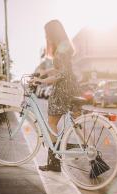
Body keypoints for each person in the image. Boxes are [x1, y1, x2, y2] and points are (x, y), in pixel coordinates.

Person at [32, 20, 80, 172]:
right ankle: (95, 159)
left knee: (51, 122)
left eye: (47, 32)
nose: (46, 35)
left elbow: (61, 74)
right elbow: (61, 69)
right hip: (72, 86)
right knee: (76, 122)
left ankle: (54, 162)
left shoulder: (61, 49)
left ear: (52, 32)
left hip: (63, 89)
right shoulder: (64, 45)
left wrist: (42, 80)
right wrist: (44, 72)